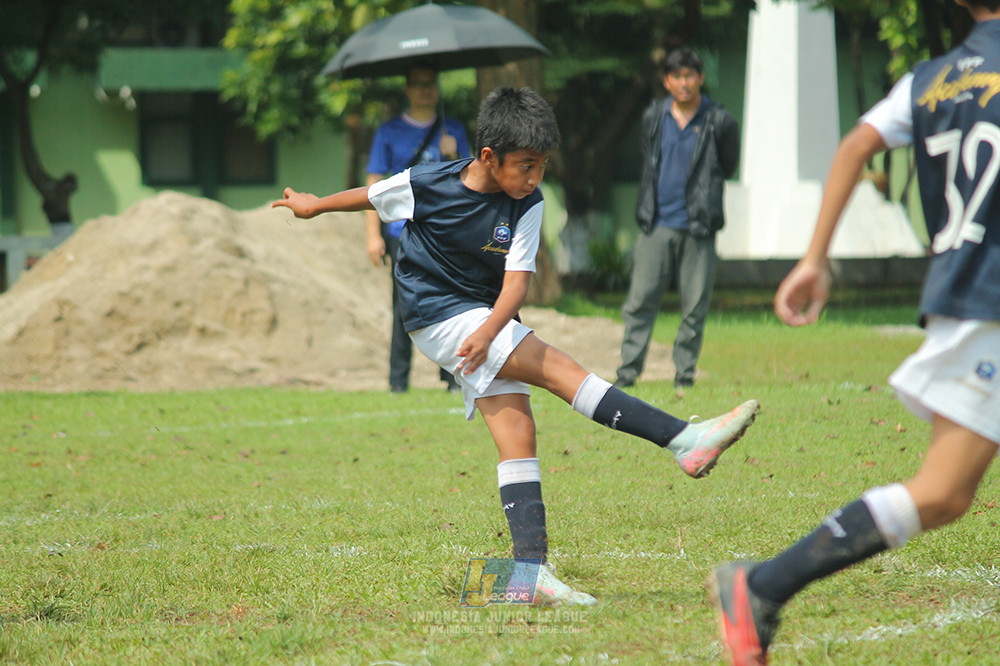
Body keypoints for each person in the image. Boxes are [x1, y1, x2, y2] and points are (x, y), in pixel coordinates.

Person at [274, 87, 759, 607]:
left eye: (543, 166)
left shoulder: (528, 202)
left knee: (518, 433)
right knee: (557, 368)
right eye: (525, 165)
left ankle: (529, 573)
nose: (534, 177)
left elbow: (515, 285)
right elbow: (370, 196)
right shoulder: (427, 182)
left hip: (488, 314)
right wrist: (313, 206)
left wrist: (488, 330)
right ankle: (683, 440)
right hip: (434, 312)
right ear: (488, 157)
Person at [709, 3, 1000, 663]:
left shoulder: (932, 78)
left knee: (948, 493)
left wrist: (814, 258)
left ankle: (761, 585)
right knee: (942, 491)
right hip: (990, 304)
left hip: (967, 292)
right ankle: (762, 584)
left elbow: (855, 145)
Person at [616, 47, 740, 393]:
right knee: (640, 302)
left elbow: (727, 165)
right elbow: (648, 160)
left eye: (690, 75)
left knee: (694, 307)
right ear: (667, 81)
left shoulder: (719, 119)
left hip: (698, 226)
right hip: (656, 223)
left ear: (700, 78)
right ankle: (627, 373)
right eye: (677, 76)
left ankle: (684, 375)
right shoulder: (653, 117)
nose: (683, 83)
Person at [365, 64, 471, 393]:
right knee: (403, 306)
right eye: (418, 84)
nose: (426, 89)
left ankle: (453, 377)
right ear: (408, 89)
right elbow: (373, 183)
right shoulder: (388, 132)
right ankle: (398, 383)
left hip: (444, 232)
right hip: (402, 232)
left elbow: (471, 177)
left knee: (453, 302)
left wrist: (454, 154)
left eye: (431, 83)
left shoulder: (452, 130)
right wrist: (372, 235)